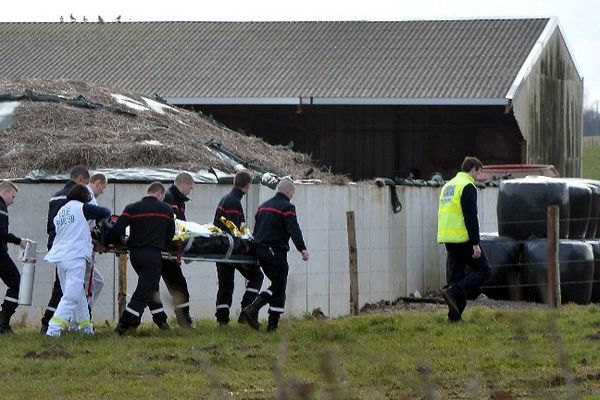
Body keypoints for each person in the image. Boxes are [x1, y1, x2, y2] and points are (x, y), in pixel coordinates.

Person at [239, 178, 309, 332]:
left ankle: (272, 325)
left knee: (279, 285)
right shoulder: (287, 207)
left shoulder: (263, 207)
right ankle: (254, 308)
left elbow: (256, 230)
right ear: (289, 191)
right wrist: (302, 248)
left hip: (261, 251)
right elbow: (293, 229)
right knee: (278, 284)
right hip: (274, 251)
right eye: (293, 192)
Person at [45, 184, 111, 336]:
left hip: (60, 257)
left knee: (79, 294)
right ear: (85, 197)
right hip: (75, 256)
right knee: (72, 296)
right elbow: (105, 211)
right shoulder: (82, 208)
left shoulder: (62, 211)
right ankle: (53, 329)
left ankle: (85, 328)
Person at [112, 182, 176, 335]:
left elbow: (118, 228)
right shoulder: (166, 209)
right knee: (143, 292)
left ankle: (161, 321)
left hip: (135, 256)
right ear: (160, 194)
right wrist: (164, 246)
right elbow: (171, 234)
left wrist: (117, 242)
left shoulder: (132, 208)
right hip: (153, 256)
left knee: (151, 287)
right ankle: (123, 326)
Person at [437, 156, 491, 322]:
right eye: (478, 172)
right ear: (472, 169)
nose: (479, 176)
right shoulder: (467, 186)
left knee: (457, 277)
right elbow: (470, 217)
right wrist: (475, 243)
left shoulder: (449, 185)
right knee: (484, 270)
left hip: (448, 237)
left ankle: (454, 318)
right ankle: (454, 291)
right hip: (463, 237)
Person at [40, 165, 90, 334]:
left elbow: (51, 225)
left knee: (70, 288)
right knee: (66, 291)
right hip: (71, 248)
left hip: (56, 245)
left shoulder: (55, 196)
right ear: (81, 180)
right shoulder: (76, 201)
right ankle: (51, 325)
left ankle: (84, 326)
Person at [213, 170, 263, 326]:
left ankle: (222, 320)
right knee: (257, 276)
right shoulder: (234, 202)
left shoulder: (225, 199)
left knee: (225, 284)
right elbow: (233, 229)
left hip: (221, 250)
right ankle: (246, 310)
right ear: (248, 186)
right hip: (232, 251)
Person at [146, 172, 194, 329]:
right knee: (154, 287)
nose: (190, 191)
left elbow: (182, 227)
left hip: (169, 253)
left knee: (180, 287)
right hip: (162, 252)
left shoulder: (179, 201)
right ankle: (164, 321)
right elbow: (172, 226)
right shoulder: (170, 199)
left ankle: (183, 319)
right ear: (184, 184)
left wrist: (185, 249)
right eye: (190, 188)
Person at [0, 181, 29, 334]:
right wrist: (19, 241)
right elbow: (1, 234)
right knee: (16, 283)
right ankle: (3, 323)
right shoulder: (1, 207)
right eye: (13, 196)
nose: (13, 200)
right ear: (4, 192)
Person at [84, 173, 109, 310]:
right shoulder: (88, 198)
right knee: (91, 283)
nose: (103, 191)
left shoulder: (88, 197)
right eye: (103, 187)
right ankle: (83, 316)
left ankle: (83, 315)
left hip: (84, 246)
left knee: (96, 282)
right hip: (84, 247)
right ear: (98, 182)